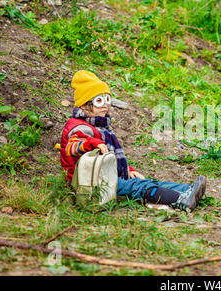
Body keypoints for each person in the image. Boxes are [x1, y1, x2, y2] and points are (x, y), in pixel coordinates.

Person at [59, 70, 206, 212]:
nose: (105, 105)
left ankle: (187, 190)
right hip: (90, 184)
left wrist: (129, 170)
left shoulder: (99, 124)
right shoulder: (79, 127)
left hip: (104, 176)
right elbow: (72, 147)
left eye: (107, 99)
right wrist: (92, 143)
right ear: (84, 104)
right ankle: (179, 199)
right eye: (99, 101)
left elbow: (110, 159)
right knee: (138, 186)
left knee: (146, 182)